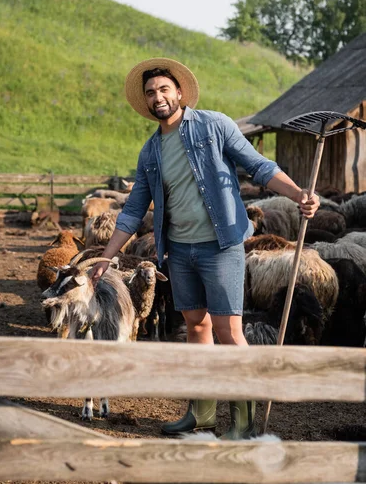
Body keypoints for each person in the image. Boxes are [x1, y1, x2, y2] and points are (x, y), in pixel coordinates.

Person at [91, 57, 320, 438]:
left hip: (220, 246)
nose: (158, 96)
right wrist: (106, 256)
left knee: (230, 331)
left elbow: (258, 166)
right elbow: (133, 211)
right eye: (151, 92)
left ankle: (244, 423)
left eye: (164, 89)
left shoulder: (214, 126)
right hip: (179, 252)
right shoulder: (151, 152)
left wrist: (298, 195)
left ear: (179, 92)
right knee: (197, 326)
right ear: (146, 102)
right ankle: (201, 415)